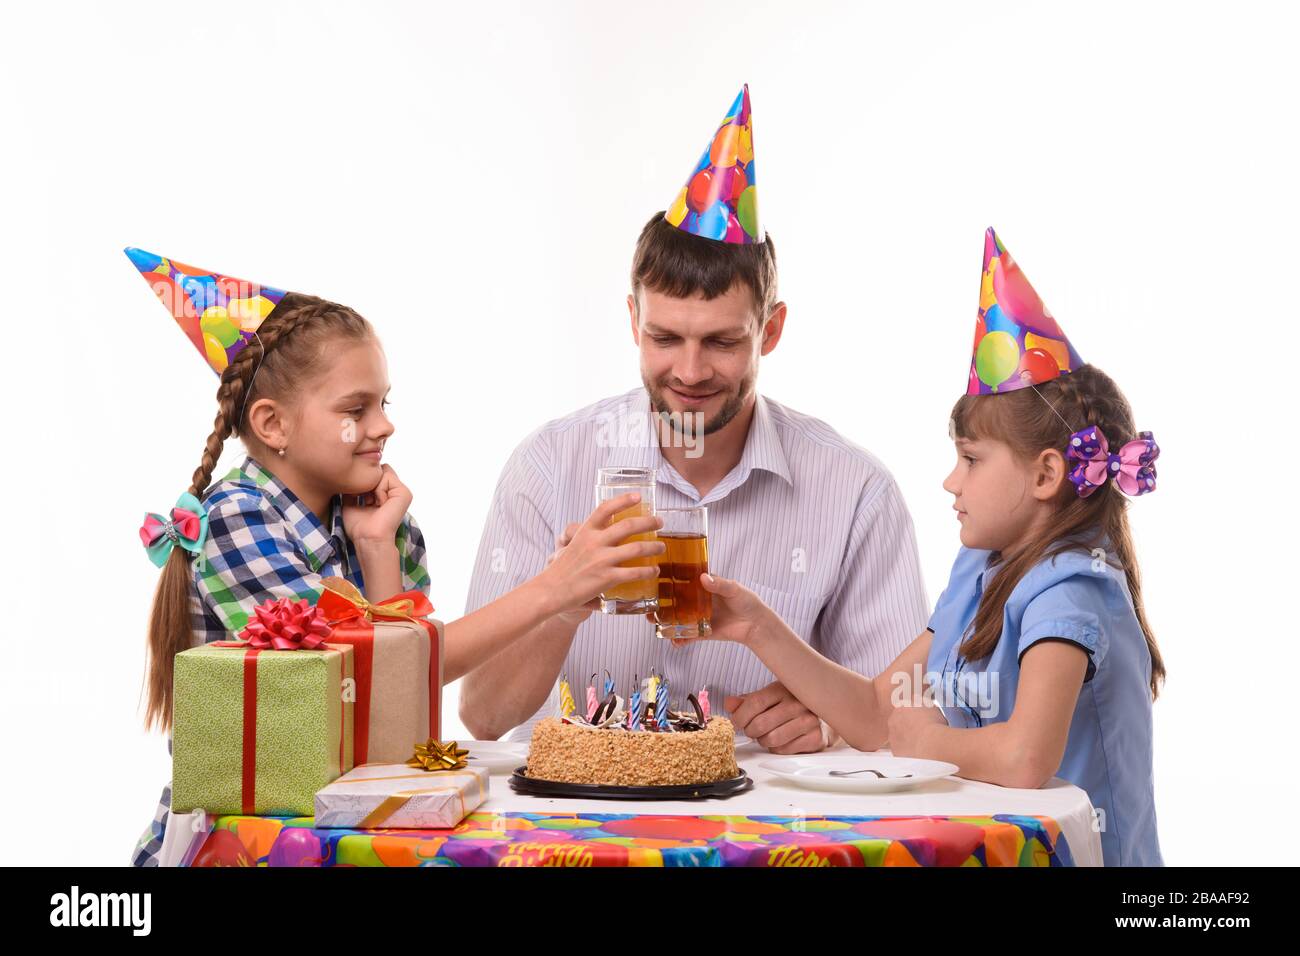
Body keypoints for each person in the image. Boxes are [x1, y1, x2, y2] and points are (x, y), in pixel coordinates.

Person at [126, 249, 662, 865]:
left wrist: (378, 548)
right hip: (245, 842)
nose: (383, 426)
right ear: (273, 425)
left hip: (345, 833)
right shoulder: (238, 520)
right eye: (356, 410)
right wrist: (555, 588)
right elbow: (348, 678)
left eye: (385, 403)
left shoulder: (383, 525)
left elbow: (396, 701)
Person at [459, 86, 928, 753]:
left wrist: (826, 719)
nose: (689, 370)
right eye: (665, 338)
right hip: (580, 826)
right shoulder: (548, 466)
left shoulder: (854, 490)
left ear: (770, 331)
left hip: (768, 832)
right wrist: (562, 601)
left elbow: (905, 715)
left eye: (721, 341)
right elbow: (482, 717)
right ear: (632, 321)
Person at [697, 229, 1164, 865]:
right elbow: (869, 713)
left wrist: (929, 742)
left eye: (971, 460)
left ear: (1047, 474)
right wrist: (758, 628)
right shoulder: (981, 571)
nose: (951, 481)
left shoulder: (1071, 589)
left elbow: (1026, 758)